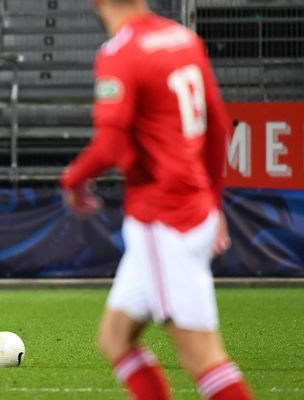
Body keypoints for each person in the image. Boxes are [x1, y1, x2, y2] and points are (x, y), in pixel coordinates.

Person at [60, 1, 253, 399]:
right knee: (115, 338)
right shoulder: (183, 38)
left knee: (202, 357)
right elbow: (218, 128)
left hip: (164, 219)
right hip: (190, 207)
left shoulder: (120, 52)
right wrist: (214, 203)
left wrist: (72, 180)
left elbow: (110, 144)